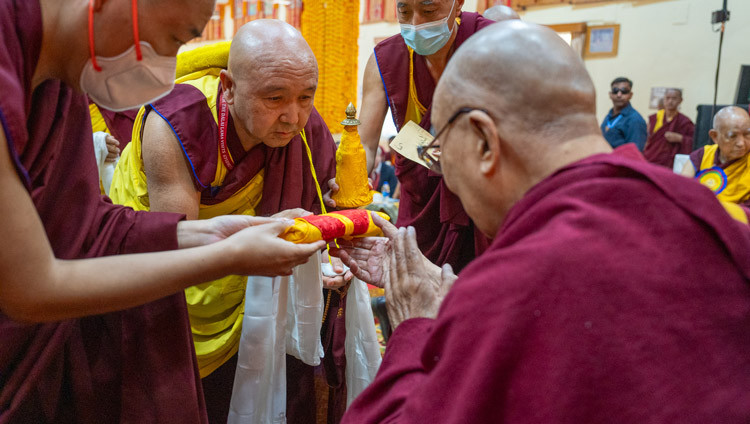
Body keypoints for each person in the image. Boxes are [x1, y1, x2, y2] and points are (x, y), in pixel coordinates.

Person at [333, 21, 750, 423]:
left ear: (483, 141)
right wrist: (455, 297)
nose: (447, 176)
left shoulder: (523, 278)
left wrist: (416, 327)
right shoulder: (715, 213)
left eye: (440, 146)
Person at [0, 0, 325, 422]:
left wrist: (215, 233)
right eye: (173, 41)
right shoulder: (172, 119)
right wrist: (229, 256)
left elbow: (94, 226)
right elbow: (29, 288)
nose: (170, 71)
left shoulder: (62, 82)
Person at [110, 20, 353, 424]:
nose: (293, 117)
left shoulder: (305, 132)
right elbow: (173, 253)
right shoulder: (177, 124)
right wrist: (261, 232)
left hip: (256, 301)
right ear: (229, 87)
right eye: (274, 98)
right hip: (175, 297)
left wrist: (332, 254)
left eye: (306, 98)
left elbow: (326, 209)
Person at [352, 0, 495, 273]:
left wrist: (433, 152)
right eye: (404, 12)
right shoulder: (386, 58)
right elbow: (365, 145)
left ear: (458, 4)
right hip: (421, 207)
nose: (416, 24)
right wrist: (348, 191)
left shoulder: (490, 44)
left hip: (482, 204)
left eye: (429, 11)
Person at [682, 106, 750, 207]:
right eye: (732, 136)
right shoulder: (703, 155)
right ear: (715, 136)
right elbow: (680, 188)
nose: (741, 143)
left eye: (747, 134)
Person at [643, 88, 695, 168]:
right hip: (651, 159)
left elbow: (695, 142)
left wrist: (680, 138)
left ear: (680, 100)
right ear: (664, 99)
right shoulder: (655, 118)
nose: (670, 101)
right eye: (667, 98)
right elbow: (647, 139)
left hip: (671, 163)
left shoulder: (685, 121)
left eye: (674, 98)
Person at [600, 77, 648, 151]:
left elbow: (635, 153)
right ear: (610, 94)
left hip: (619, 162)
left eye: (624, 91)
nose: (619, 95)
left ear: (630, 95)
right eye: (615, 91)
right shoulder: (609, 116)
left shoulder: (635, 120)